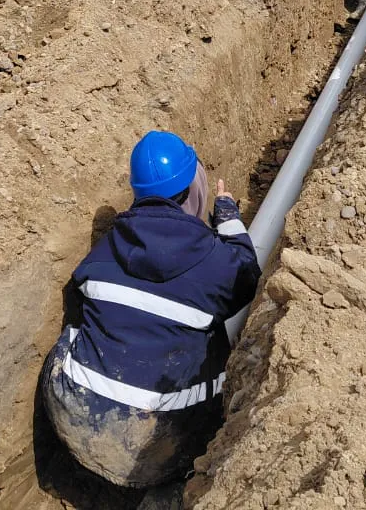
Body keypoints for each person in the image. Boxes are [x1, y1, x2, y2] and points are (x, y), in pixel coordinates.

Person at [41, 131, 260, 488]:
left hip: (74, 414)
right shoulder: (213, 261)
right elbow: (247, 277)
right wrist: (228, 216)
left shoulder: (107, 248)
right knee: (220, 347)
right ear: (193, 190)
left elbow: (84, 286)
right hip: (165, 441)